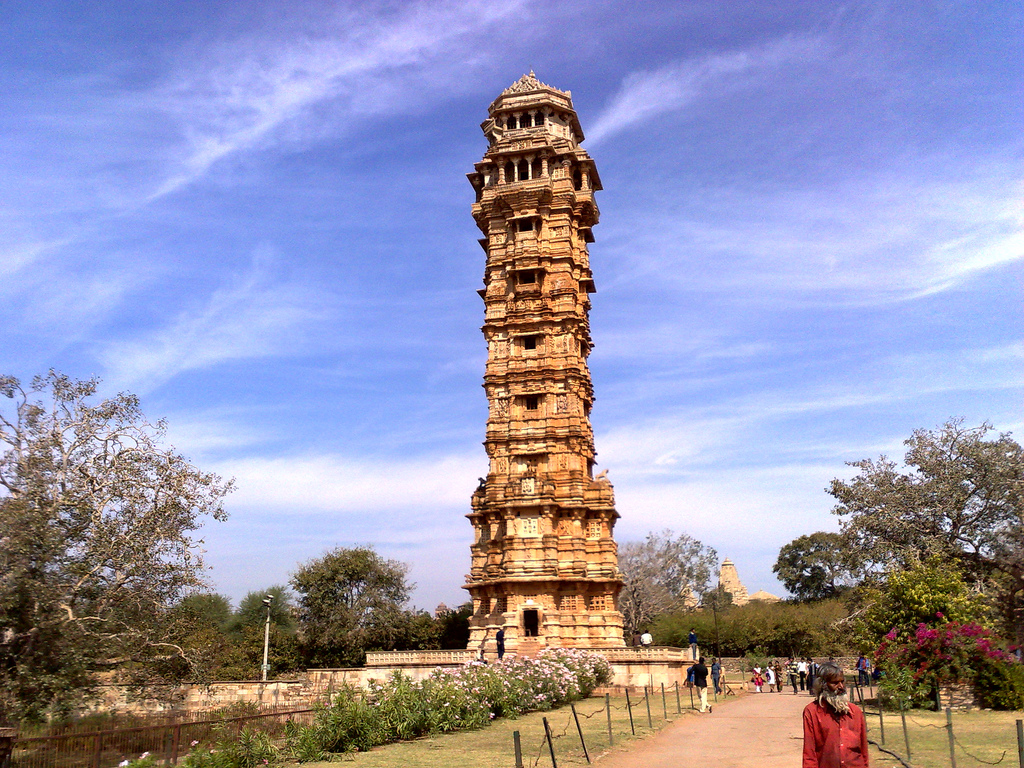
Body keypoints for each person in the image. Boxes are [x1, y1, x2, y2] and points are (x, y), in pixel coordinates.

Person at [802, 661, 870, 767]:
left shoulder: (855, 712)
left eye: (842, 682)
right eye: (835, 683)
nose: (841, 687)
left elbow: (863, 749)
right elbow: (809, 752)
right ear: (823, 685)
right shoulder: (812, 712)